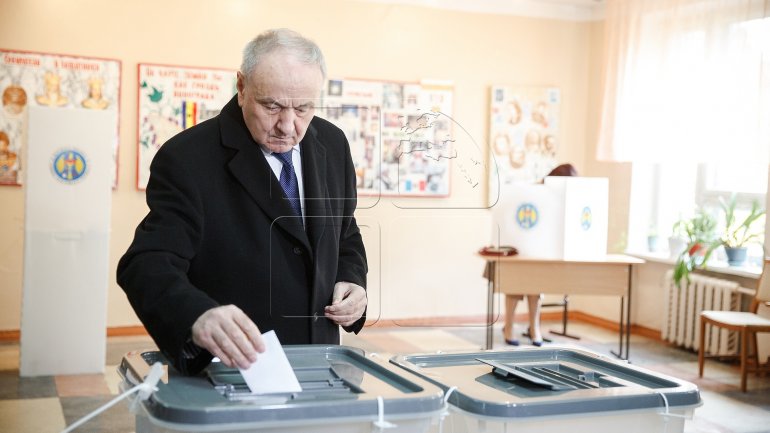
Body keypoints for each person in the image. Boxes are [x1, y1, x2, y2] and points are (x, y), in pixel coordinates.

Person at [117, 28, 368, 376]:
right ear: (241, 87)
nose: (288, 125)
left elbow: (345, 231)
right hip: (237, 366)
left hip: (318, 361)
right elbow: (146, 263)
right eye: (272, 106)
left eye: (304, 107)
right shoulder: (187, 158)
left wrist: (352, 279)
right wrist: (196, 316)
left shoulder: (332, 143)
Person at [502, 163, 577, 346]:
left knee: (536, 289)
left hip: (542, 250)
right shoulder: (534, 192)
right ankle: (509, 327)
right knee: (514, 287)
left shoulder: (562, 198)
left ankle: (534, 327)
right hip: (520, 247)